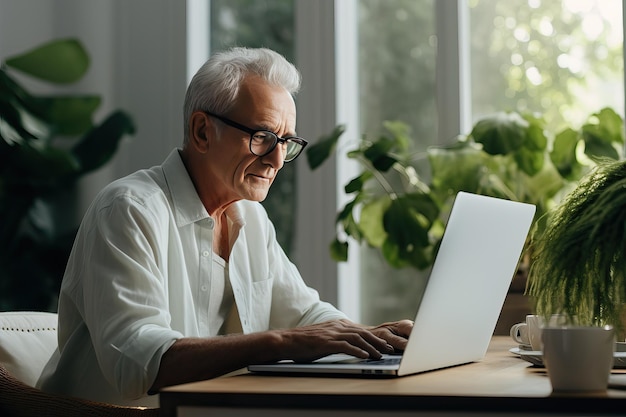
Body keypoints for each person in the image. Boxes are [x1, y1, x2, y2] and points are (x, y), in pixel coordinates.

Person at [37, 47, 413, 407]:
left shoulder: (250, 216)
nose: (277, 160)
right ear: (202, 131)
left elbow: (305, 316)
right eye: (263, 137)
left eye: (286, 142)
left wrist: (375, 338)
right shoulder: (128, 210)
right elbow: (138, 363)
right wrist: (279, 343)